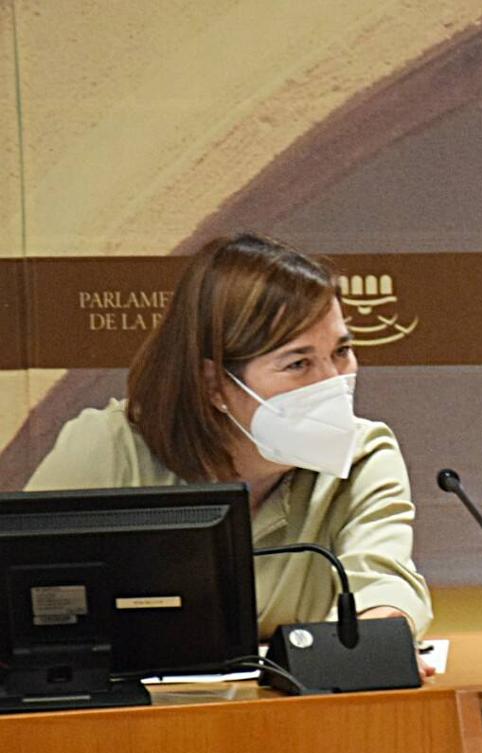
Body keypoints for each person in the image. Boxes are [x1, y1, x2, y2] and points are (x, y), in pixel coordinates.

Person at [26, 233, 434, 652]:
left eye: (342, 351)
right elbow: (21, 595)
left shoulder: (363, 454)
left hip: (294, 710)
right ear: (215, 383)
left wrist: (374, 644)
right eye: (298, 363)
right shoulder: (111, 447)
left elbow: (384, 583)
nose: (333, 381)